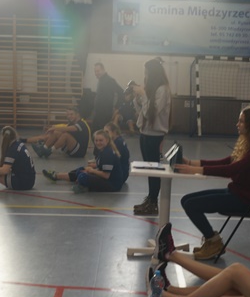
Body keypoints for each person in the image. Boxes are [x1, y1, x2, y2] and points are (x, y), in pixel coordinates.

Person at [173, 106, 250, 260]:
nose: (237, 124)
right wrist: (191, 163)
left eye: (241, 121)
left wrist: (195, 170)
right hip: (234, 193)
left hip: (242, 200)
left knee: (190, 205)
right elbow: (226, 161)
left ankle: (213, 242)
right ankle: (212, 240)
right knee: (186, 200)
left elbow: (230, 170)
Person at [133, 58, 172, 216]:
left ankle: (153, 202)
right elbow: (142, 112)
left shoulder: (162, 90)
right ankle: (150, 198)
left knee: (154, 169)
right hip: (145, 133)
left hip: (155, 135)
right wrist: (137, 98)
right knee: (148, 169)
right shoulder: (151, 88)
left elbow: (152, 113)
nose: (145, 76)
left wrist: (143, 95)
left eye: (147, 72)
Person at [40, 129, 124, 193]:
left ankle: (84, 186)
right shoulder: (103, 150)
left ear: (107, 140)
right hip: (108, 180)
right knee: (81, 170)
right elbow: (102, 167)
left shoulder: (107, 153)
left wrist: (92, 171)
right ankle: (56, 176)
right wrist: (92, 169)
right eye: (96, 140)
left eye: (101, 140)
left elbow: (106, 175)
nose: (98, 143)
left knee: (82, 176)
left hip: (112, 184)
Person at [24, 107, 91, 159]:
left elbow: (67, 129)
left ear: (77, 114)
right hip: (72, 149)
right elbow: (61, 130)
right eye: (68, 115)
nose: (69, 116)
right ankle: (43, 149)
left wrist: (54, 128)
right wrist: (52, 129)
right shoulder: (71, 123)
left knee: (65, 135)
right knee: (56, 133)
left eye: (71, 114)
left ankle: (49, 151)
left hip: (79, 152)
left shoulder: (81, 124)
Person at [92, 62, 124, 132]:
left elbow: (121, 92)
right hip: (98, 112)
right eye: (95, 71)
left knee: (103, 133)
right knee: (95, 132)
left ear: (103, 70)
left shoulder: (110, 80)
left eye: (98, 71)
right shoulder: (101, 80)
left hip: (105, 113)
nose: (96, 73)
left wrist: (117, 108)